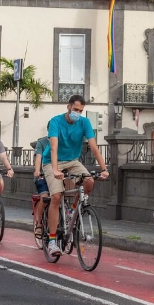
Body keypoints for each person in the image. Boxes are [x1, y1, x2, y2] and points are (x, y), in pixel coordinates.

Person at [42, 95, 109, 257]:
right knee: (56, 196)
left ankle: (73, 210)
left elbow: (93, 146)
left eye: (81, 111)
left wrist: (104, 168)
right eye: (76, 109)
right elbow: (54, 147)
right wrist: (56, 170)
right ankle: (52, 241)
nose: (77, 113)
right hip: (52, 162)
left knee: (89, 181)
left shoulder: (84, 122)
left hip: (72, 161)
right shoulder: (56, 122)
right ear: (68, 107)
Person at [32, 125, 51, 240]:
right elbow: (38, 157)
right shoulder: (42, 142)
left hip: (57, 175)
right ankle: (39, 224)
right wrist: (37, 171)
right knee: (44, 197)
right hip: (43, 176)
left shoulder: (63, 141)